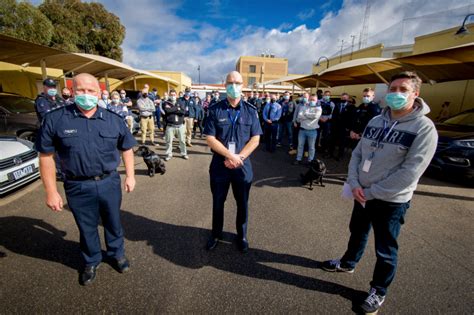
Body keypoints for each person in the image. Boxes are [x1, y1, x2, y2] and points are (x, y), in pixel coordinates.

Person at [321, 71, 438, 314]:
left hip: (390, 201)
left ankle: (378, 291)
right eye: (392, 89)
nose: (396, 94)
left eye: (403, 89)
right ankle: (348, 263)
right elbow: (357, 154)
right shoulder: (376, 121)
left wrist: (372, 191)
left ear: (415, 94)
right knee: (357, 232)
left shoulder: (424, 128)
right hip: (361, 193)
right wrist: (354, 183)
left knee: (385, 248)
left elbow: (411, 171)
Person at [35, 73, 137, 286]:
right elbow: (45, 157)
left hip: (109, 182)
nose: (86, 95)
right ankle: (91, 260)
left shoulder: (113, 120)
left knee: (113, 221)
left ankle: (116, 253)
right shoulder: (55, 119)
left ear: (98, 93)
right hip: (77, 185)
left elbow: (127, 148)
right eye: (81, 90)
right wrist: (51, 191)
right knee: (86, 226)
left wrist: (131, 175)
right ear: (72, 92)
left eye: (91, 91)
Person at [204, 71, 262, 253]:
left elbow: (255, 139)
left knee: (242, 203)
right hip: (220, 165)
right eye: (230, 82)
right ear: (224, 85)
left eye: (237, 82)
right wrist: (230, 157)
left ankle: (242, 236)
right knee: (218, 202)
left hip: (242, 166)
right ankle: (216, 234)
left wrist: (239, 158)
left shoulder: (251, 111)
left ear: (243, 85)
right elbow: (210, 138)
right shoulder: (215, 109)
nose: (234, 86)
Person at [293, 94, 322, 165]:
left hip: (312, 131)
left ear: (316, 100)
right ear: (308, 99)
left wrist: (305, 115)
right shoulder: (303, 106)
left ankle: (310, 161)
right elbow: (299, 117)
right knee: (300, 145)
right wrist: (309, 115)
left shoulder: (318, 108)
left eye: (313, 100)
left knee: (311, 147)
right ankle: (298, 159)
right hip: (302, 130)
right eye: (310, 99)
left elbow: (315, 116)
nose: (312, 101)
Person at [328, 92, 356, 160]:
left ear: (348, 98)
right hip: (335, 126)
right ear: (341, 98)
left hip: (344, 127)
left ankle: (340, 156)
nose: (343, 99)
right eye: (342, 98)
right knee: (332, 141)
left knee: (342, 143)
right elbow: (334, 115)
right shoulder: (337, 105)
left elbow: (352, 118)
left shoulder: (351, 106)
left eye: (345, 98)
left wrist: (349, 128)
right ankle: (330, 154)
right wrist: (332, 125)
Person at [163, 89, 188, 161]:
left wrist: (173, 110)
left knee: (182, 141)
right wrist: (177, 108)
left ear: (176, 95)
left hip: (180, 125)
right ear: (169, 95)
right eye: (171, 95)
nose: (173, 96)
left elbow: (183, 112)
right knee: (169, 141)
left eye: (174, 95)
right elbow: (167, 111)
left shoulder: (180, 102)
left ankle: (184, 153)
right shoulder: (166, 103)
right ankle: (169, 154)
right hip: (170, 126)